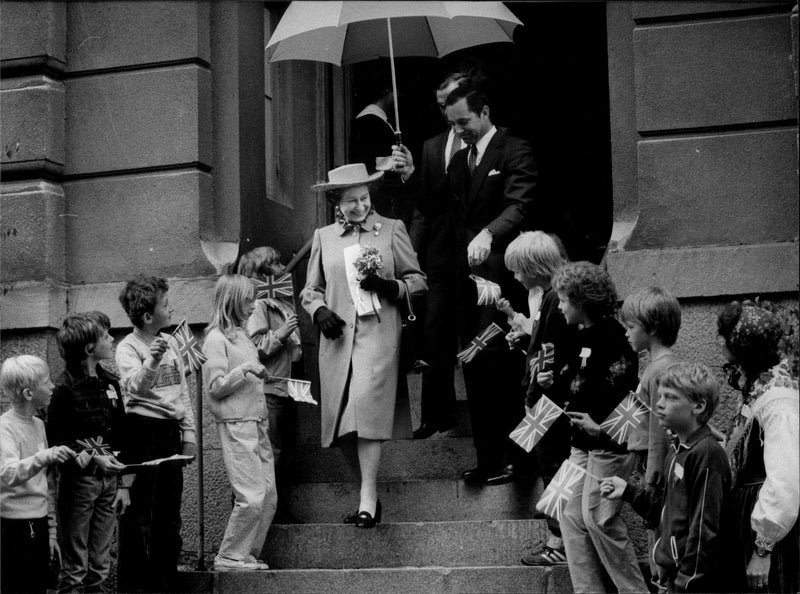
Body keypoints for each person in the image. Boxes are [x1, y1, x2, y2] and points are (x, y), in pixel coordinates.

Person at [394, 77, 538, 485]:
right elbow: (431, 206)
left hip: (503, 283)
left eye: (465, 122)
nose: (458, 131)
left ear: (485, 112)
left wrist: (489, 233)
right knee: (474, 366)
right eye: (453, 124)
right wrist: (408, 174)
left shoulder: (515, 149)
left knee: (504, 369)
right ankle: (488, 459)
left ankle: (518, 460)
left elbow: (519, 204)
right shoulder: (459, 160)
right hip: (465, 286)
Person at [302, 163, 427, 526]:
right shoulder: (324, 237)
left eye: (364, 198)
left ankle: (368, 496)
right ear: (334, 202)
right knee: (341, 424)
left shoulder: (391, 229)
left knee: (364, 410)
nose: (359, 206)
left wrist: (391, 287)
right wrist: (318, 310)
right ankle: (365, 495)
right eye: (351, 201)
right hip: (338, 339)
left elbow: (417, 281)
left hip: (379, 335)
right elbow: (311, 289)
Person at [551, 261, 648, 593]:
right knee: (567, 514)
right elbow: (574, 382)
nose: (560, 306)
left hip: (607, 447)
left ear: (581, 301)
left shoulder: (616, 338)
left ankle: (634, 591)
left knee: (600, 520)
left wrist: (600, 426)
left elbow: (624, 394)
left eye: (564, 300)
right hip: (580, 445)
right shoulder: (579, 335)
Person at [601, 362, 731, 593]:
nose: (659, 404)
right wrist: (628, 492)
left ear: (698, 406)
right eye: (659, 396)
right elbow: (666, 510)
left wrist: (688, 579)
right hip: (673, 577)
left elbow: (705, 526)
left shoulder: (706, 453)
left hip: (693, 583)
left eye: (670, 397)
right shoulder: (677, 452)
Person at [393, 71, 469, 439]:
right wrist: (410, 175)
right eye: (439, 106)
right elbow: (426, 205)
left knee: (476, 334)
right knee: (435, 332)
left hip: (477, 252)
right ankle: (435, 416)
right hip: (439, 254)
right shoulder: (432, 145)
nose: (444, 112)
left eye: (449, 103)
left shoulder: (485, 138)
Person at [494, 231, 575, 566]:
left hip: (547, 402)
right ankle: (561, 537)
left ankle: (559, 541)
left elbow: (549, 352)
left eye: (518, 270)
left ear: (535, 267)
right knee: (551, 465)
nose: (515, 276)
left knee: (553, 466)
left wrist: (531, 397)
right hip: (548, 399)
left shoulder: (554, 299)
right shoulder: (553, 296)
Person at [115, 276, 196, 592]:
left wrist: (188, 433)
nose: (171, 307)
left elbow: (182, 391)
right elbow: (136, 387)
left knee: (168, 517)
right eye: (165, 304)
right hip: (142, 437)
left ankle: (165, 582)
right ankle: (135, 587)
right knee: (139, 518)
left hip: (169, 435)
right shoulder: (128, 348)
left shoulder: (173, 342)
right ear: (148, 316)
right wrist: (152, 359)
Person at [717, 301, 799, 593]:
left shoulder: (778, 401)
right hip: (746, 517)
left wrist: (763, 550)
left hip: (769, 531)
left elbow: (785, 480)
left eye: (725, 336)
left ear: (744, 346)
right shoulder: (758, 384)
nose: (720, 341)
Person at [46, 312, 128, 592]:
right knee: (75, 567)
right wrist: (94, 457)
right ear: (89, 348)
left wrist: (124, 483)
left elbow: (120, 432)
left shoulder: (110, 382)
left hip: (110, 482)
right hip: (79, 484)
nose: (112, 339)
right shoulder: (63, 389)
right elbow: (57, 440)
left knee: (101, 565)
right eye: (105, 336)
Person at [203, 274, 275, 571]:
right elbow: (215, 387)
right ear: (232, 301)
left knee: (268, 495)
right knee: (252, 495)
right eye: (247, 299)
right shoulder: (215, 338)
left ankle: (246, 554)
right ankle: (230, 556)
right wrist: (246, 368)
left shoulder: (241, 335)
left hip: (256, 420)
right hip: (236, 423)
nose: (252, 305)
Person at [1, 355, 76, 594]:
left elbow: (47, 484)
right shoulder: (5, 428)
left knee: (39, 586)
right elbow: (7, 472)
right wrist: (44, 456)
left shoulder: (39, 425)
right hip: (13, 526)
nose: (53, 385)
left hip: (40, 522)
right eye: (46, 381)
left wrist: (52, 533)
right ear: (28, 394)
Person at [238, 246, 302, 524]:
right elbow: (255, 347)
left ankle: (280, 509)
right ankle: (268, 512)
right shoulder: (261, 305)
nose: (282, 267)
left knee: (285, 453)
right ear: (262, 274)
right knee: (273, 452)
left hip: (286, 387)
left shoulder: (281, 302)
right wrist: (281, 334)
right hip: (270, 389)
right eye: (275, 263)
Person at [350, 75, 411, 228]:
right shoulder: (369, 120)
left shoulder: (380, 120)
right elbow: (367, 162)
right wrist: (395, 161)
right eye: (396, 91)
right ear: (387, 90)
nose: (400, 96)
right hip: (377, 195)